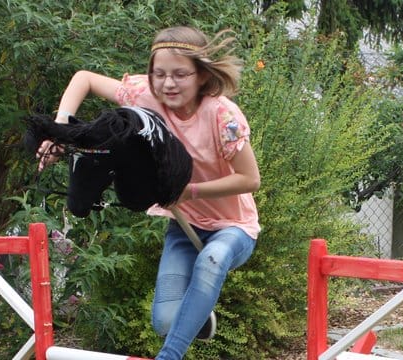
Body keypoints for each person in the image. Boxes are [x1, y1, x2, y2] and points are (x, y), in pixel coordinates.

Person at [36, 26, 261, 360]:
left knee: (212, 261)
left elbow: (250, 179)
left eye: (180, 74)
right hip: (185, 228)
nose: (168, 84)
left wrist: (189, 191)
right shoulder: (146, 95)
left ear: (201, 75)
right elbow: (83, 78)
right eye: (159, 74)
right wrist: (61, 131)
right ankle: (197, 317)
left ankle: (169, 355)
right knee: (164, 321)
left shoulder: (222, 115)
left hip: (233, 227)